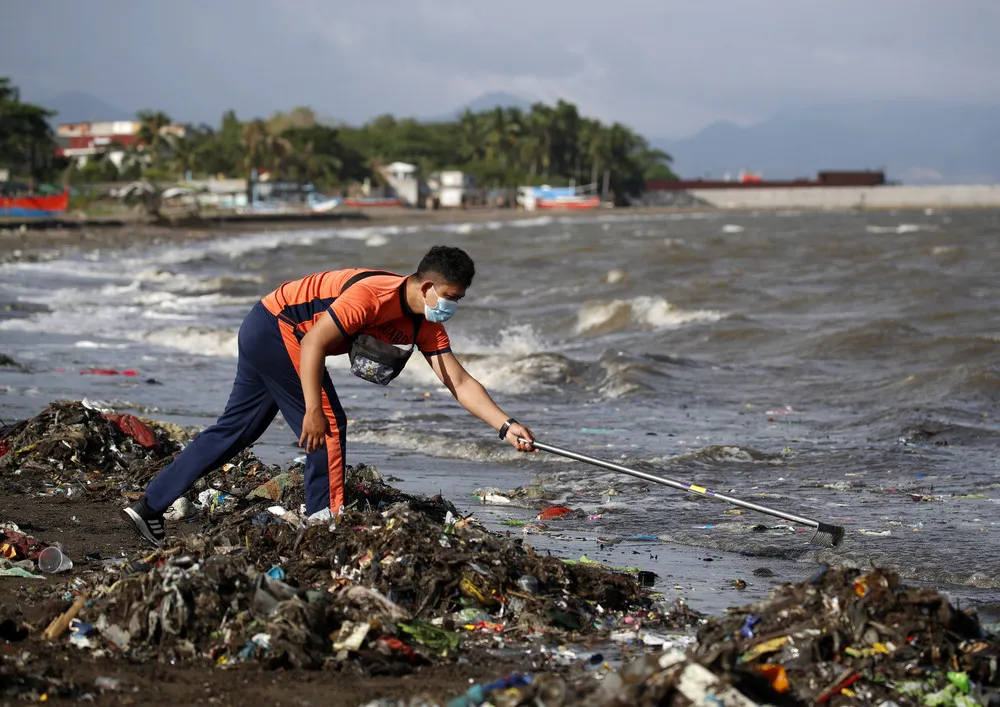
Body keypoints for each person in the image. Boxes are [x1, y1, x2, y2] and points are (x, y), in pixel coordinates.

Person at [123, 245, 536, 546]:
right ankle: (324, 522)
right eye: (450, 298)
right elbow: (315, 343)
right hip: (276, 328)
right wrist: (314, 412)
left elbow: (459, 381)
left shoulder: (425, 323)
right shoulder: (372, 296)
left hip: (268, 327)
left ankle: (149, 507)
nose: (452, 307)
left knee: (235, 431)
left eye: (458, 300)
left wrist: (505, 425)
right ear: (427, 286)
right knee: (330, 426)